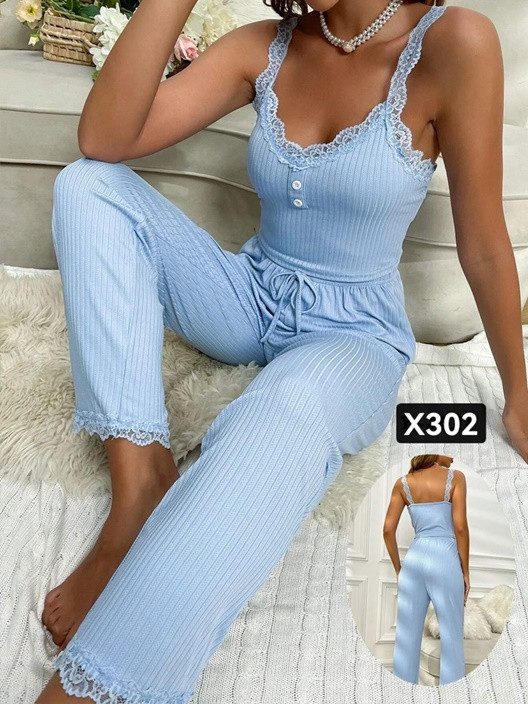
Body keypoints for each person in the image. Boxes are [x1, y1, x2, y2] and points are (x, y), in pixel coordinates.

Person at [35, 0, 524, 701]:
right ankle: (140, 486)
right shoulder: (264, 46)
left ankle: (101, 685)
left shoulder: (452, 42)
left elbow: (483, 243)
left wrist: (520, 394)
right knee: (88, 186)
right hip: (253, 295)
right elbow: (105, 139)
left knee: (276, 410)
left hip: (353, 336)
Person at [383, 454, 470, 685]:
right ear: (435, 454)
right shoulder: (456, 478)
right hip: (445, 559)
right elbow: (460, 528)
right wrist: (465, 571)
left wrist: (399, 569)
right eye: (447, 453)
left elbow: (388, 530)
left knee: (406, 640)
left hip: (414, 559)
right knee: (452, 639)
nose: (452, 457)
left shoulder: (402, 483)